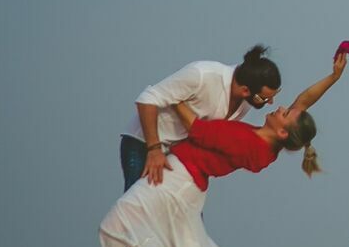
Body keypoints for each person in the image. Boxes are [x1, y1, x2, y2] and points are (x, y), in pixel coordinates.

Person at [99, 51, 347, 247]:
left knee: (128, 228)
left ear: (283, 131)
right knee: (165, 241)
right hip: (180, 174)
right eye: (267, 98)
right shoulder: (264, 144)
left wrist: (175, 96)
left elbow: (195, 128)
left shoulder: (246, 140)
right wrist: (333, 77)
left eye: (282, 110)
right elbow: (303, 103)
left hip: (178, 176)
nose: (275, 105)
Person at [121, 44, 283, 192]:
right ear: (245, 90)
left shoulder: (246, 103)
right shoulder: (202, 74)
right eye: (264, 98)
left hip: (176, 156)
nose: (270, 103)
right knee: (138, 210)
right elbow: (147, 99)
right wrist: (154, 149)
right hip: (144, 144)